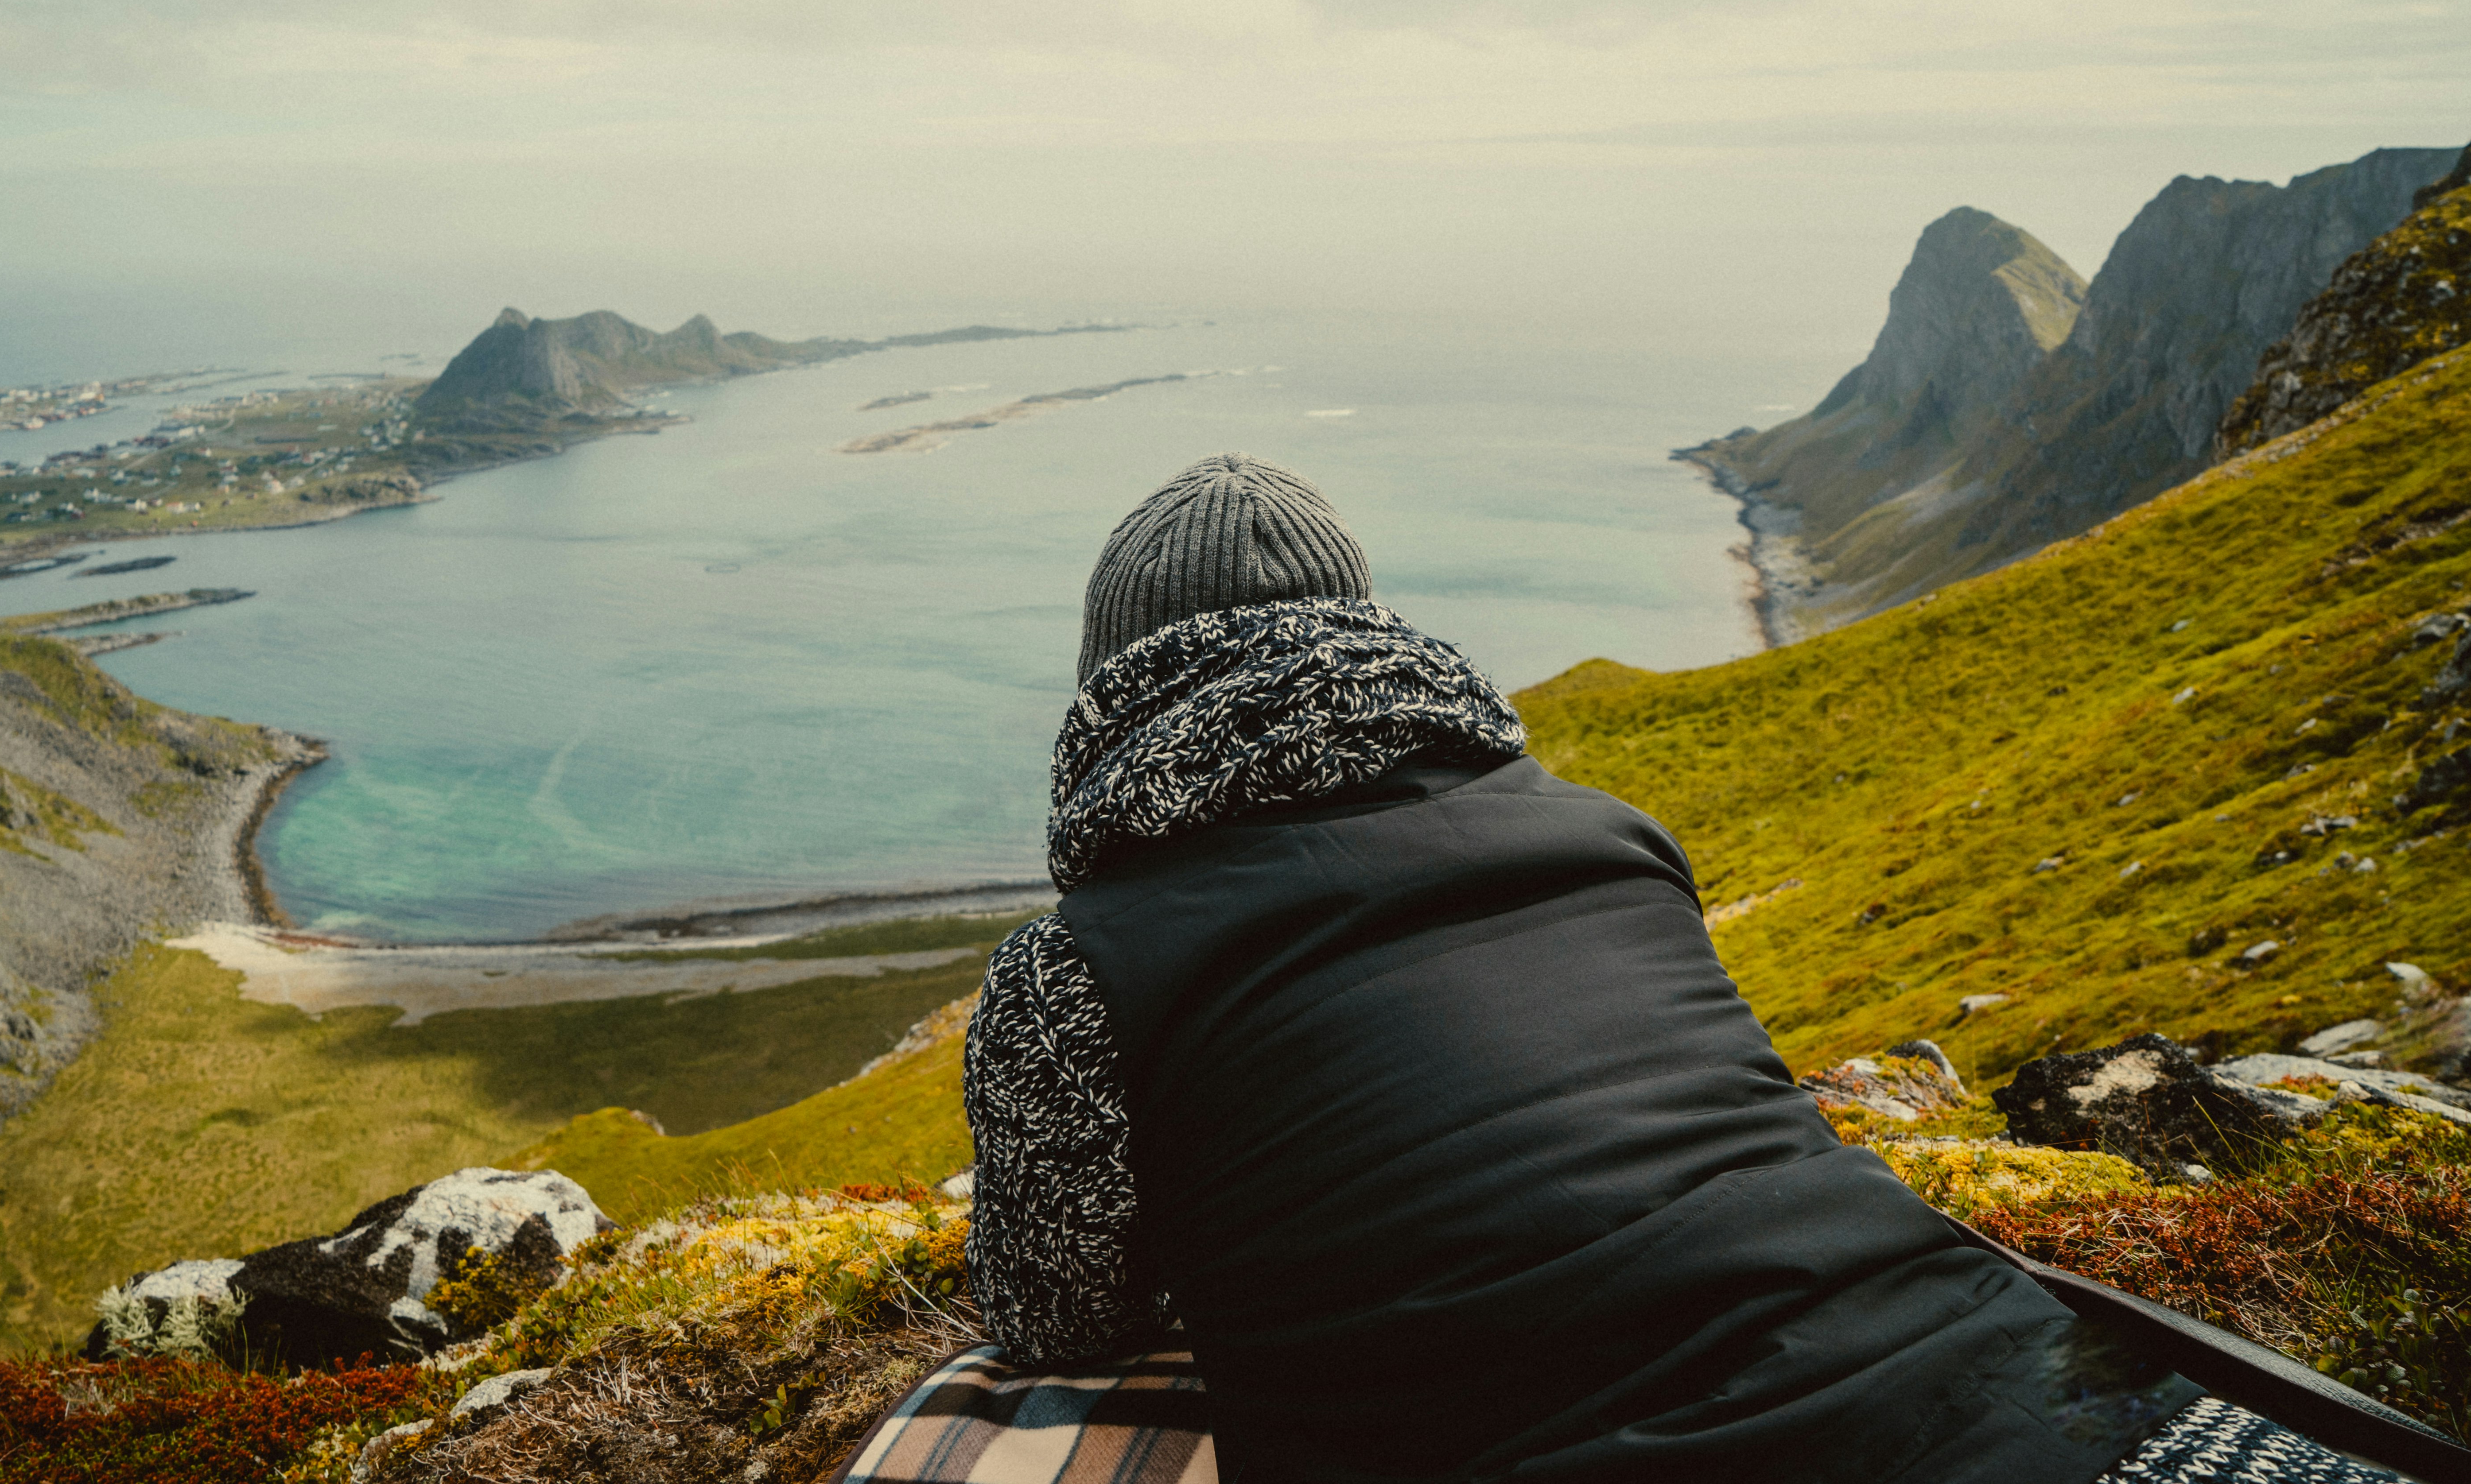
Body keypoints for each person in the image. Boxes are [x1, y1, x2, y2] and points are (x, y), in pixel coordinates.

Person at [961, 453, 2416, 1484]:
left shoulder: (1073, 970)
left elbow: (1056, 1318)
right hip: (2037, 1394)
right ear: (1375, 641)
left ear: (1118, 691)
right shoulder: (1611, 836)